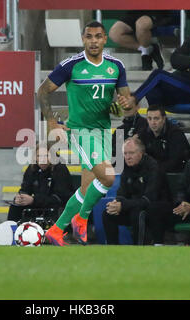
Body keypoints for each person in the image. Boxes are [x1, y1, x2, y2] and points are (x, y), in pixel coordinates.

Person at [37, 21, 132, 246]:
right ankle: (82, 217)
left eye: (98, 36)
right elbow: (42, 91)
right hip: (80, 131)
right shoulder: (72, 65)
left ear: (105, 38)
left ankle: (56, 230)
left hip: (103, 131)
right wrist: (51, 121)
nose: (93, 41)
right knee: (108, 177)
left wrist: (124, 104)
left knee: (86, 188)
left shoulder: (116, 65)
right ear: (83, 39)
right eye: (89, 36)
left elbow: (128, 104)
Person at [102, 136, 171, 245]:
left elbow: (148, 199)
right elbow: (122, 193)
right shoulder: (127, 168)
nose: (127, 157)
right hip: (135, 206)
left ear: (141, 153)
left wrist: (123, 205)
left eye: (131, 153)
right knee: (108, 213)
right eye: (125, 153)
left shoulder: (153, 168)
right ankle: (112, 249)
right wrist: (116, 203)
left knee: (138, 213)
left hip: (156, 208)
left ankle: (138, 249)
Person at [7, 143, 74, 224]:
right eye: (39, 156)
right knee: (15, 207)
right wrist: (20, 198)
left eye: (46, 156)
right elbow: (25, 189)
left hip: (57, 205)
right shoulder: (32, 168)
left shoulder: (60, 169)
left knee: (56, 209)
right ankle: (13, 232)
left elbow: (59, 198)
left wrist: (34, 200)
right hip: (38, 203)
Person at [138, 104, 190, 173]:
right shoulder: (144, 133)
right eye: (149, 118)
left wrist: (153, 169)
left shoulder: (176, 134)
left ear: (164, 119)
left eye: (156, 118)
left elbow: (175, 162)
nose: (153, 122)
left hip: (178, 173)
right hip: (156, 172)